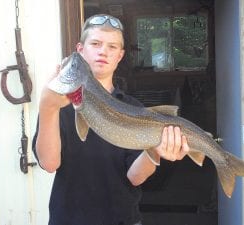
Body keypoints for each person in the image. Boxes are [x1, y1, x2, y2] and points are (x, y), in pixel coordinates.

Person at [32, 14, 189, 225]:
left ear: (120, 56)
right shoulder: (58, 104)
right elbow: (49, 163)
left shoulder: (133, 108)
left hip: (121, 219)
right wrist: (47, 106)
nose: (103, 51)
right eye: (95, 43)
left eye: (112, 47)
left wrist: (155, 151)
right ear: (80, 49)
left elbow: (135, 177)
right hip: (68, 219)